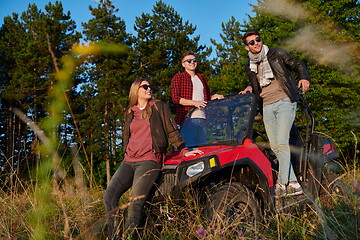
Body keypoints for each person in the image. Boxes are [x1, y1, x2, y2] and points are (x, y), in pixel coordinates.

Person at [103, 78, 203, 239]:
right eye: (145, 86)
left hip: (149, 160)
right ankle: (114, 235)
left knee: (135, 203)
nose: (149, 88)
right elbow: (129, 136)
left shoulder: (158, 106)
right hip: (129, 161)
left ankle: (129, 237)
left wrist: (184, 150)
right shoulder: (130, 111)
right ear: (136, 90)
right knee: (109, 196)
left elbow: (171, 130)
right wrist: (125, 153)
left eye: (150, 86)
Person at [240, 30, 310, 198]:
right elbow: (256, 85)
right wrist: (249, 88)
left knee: (282, 142)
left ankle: (281, 183)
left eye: (258, 40)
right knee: (274, 146)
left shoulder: (276, 53)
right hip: (267, 106)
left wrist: (304, 77)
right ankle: (294, 183)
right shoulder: (250, 66)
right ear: (246, 47)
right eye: (251, 42)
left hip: (284, 100)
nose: (256, 43)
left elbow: (297, 64)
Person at [171, 51, 224, 147]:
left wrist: (215, 97)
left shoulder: (201, 78)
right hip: (188, 119)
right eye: (189, 60)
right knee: (189, 148)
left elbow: (207, 97)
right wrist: (194, 103)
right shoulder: (179, 77)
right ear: (183, 64)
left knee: (202, 147)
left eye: (194, 60)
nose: (192, 62)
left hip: (203, 119)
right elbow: (175, 98)